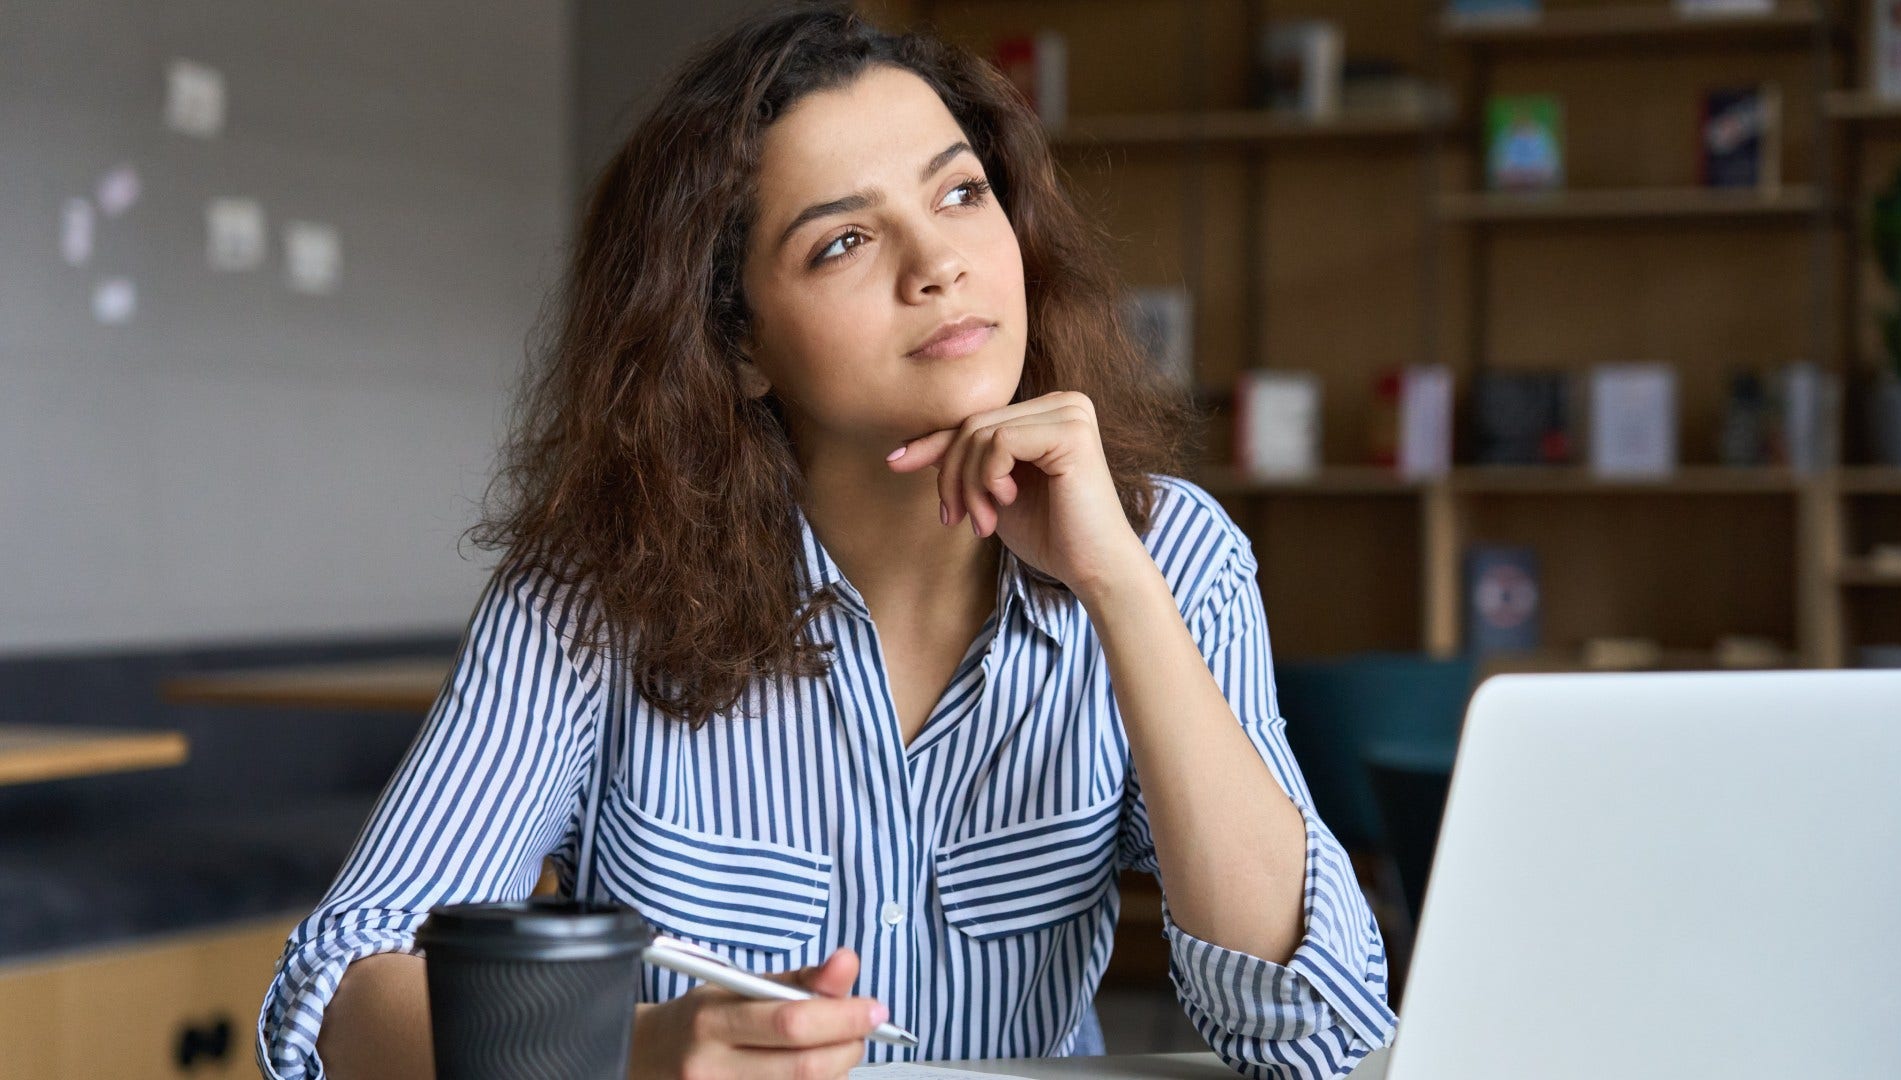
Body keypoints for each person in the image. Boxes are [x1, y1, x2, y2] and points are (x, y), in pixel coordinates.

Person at [256, 4, 1395, 1078]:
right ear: (738, 347)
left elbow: (1322, 1036)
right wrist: (630, 1056)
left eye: (959, 195)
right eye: (845, 241)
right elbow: (335, 1001)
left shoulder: (1171, 555)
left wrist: (1117, 586)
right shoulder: (595, 595)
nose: (937, 263)